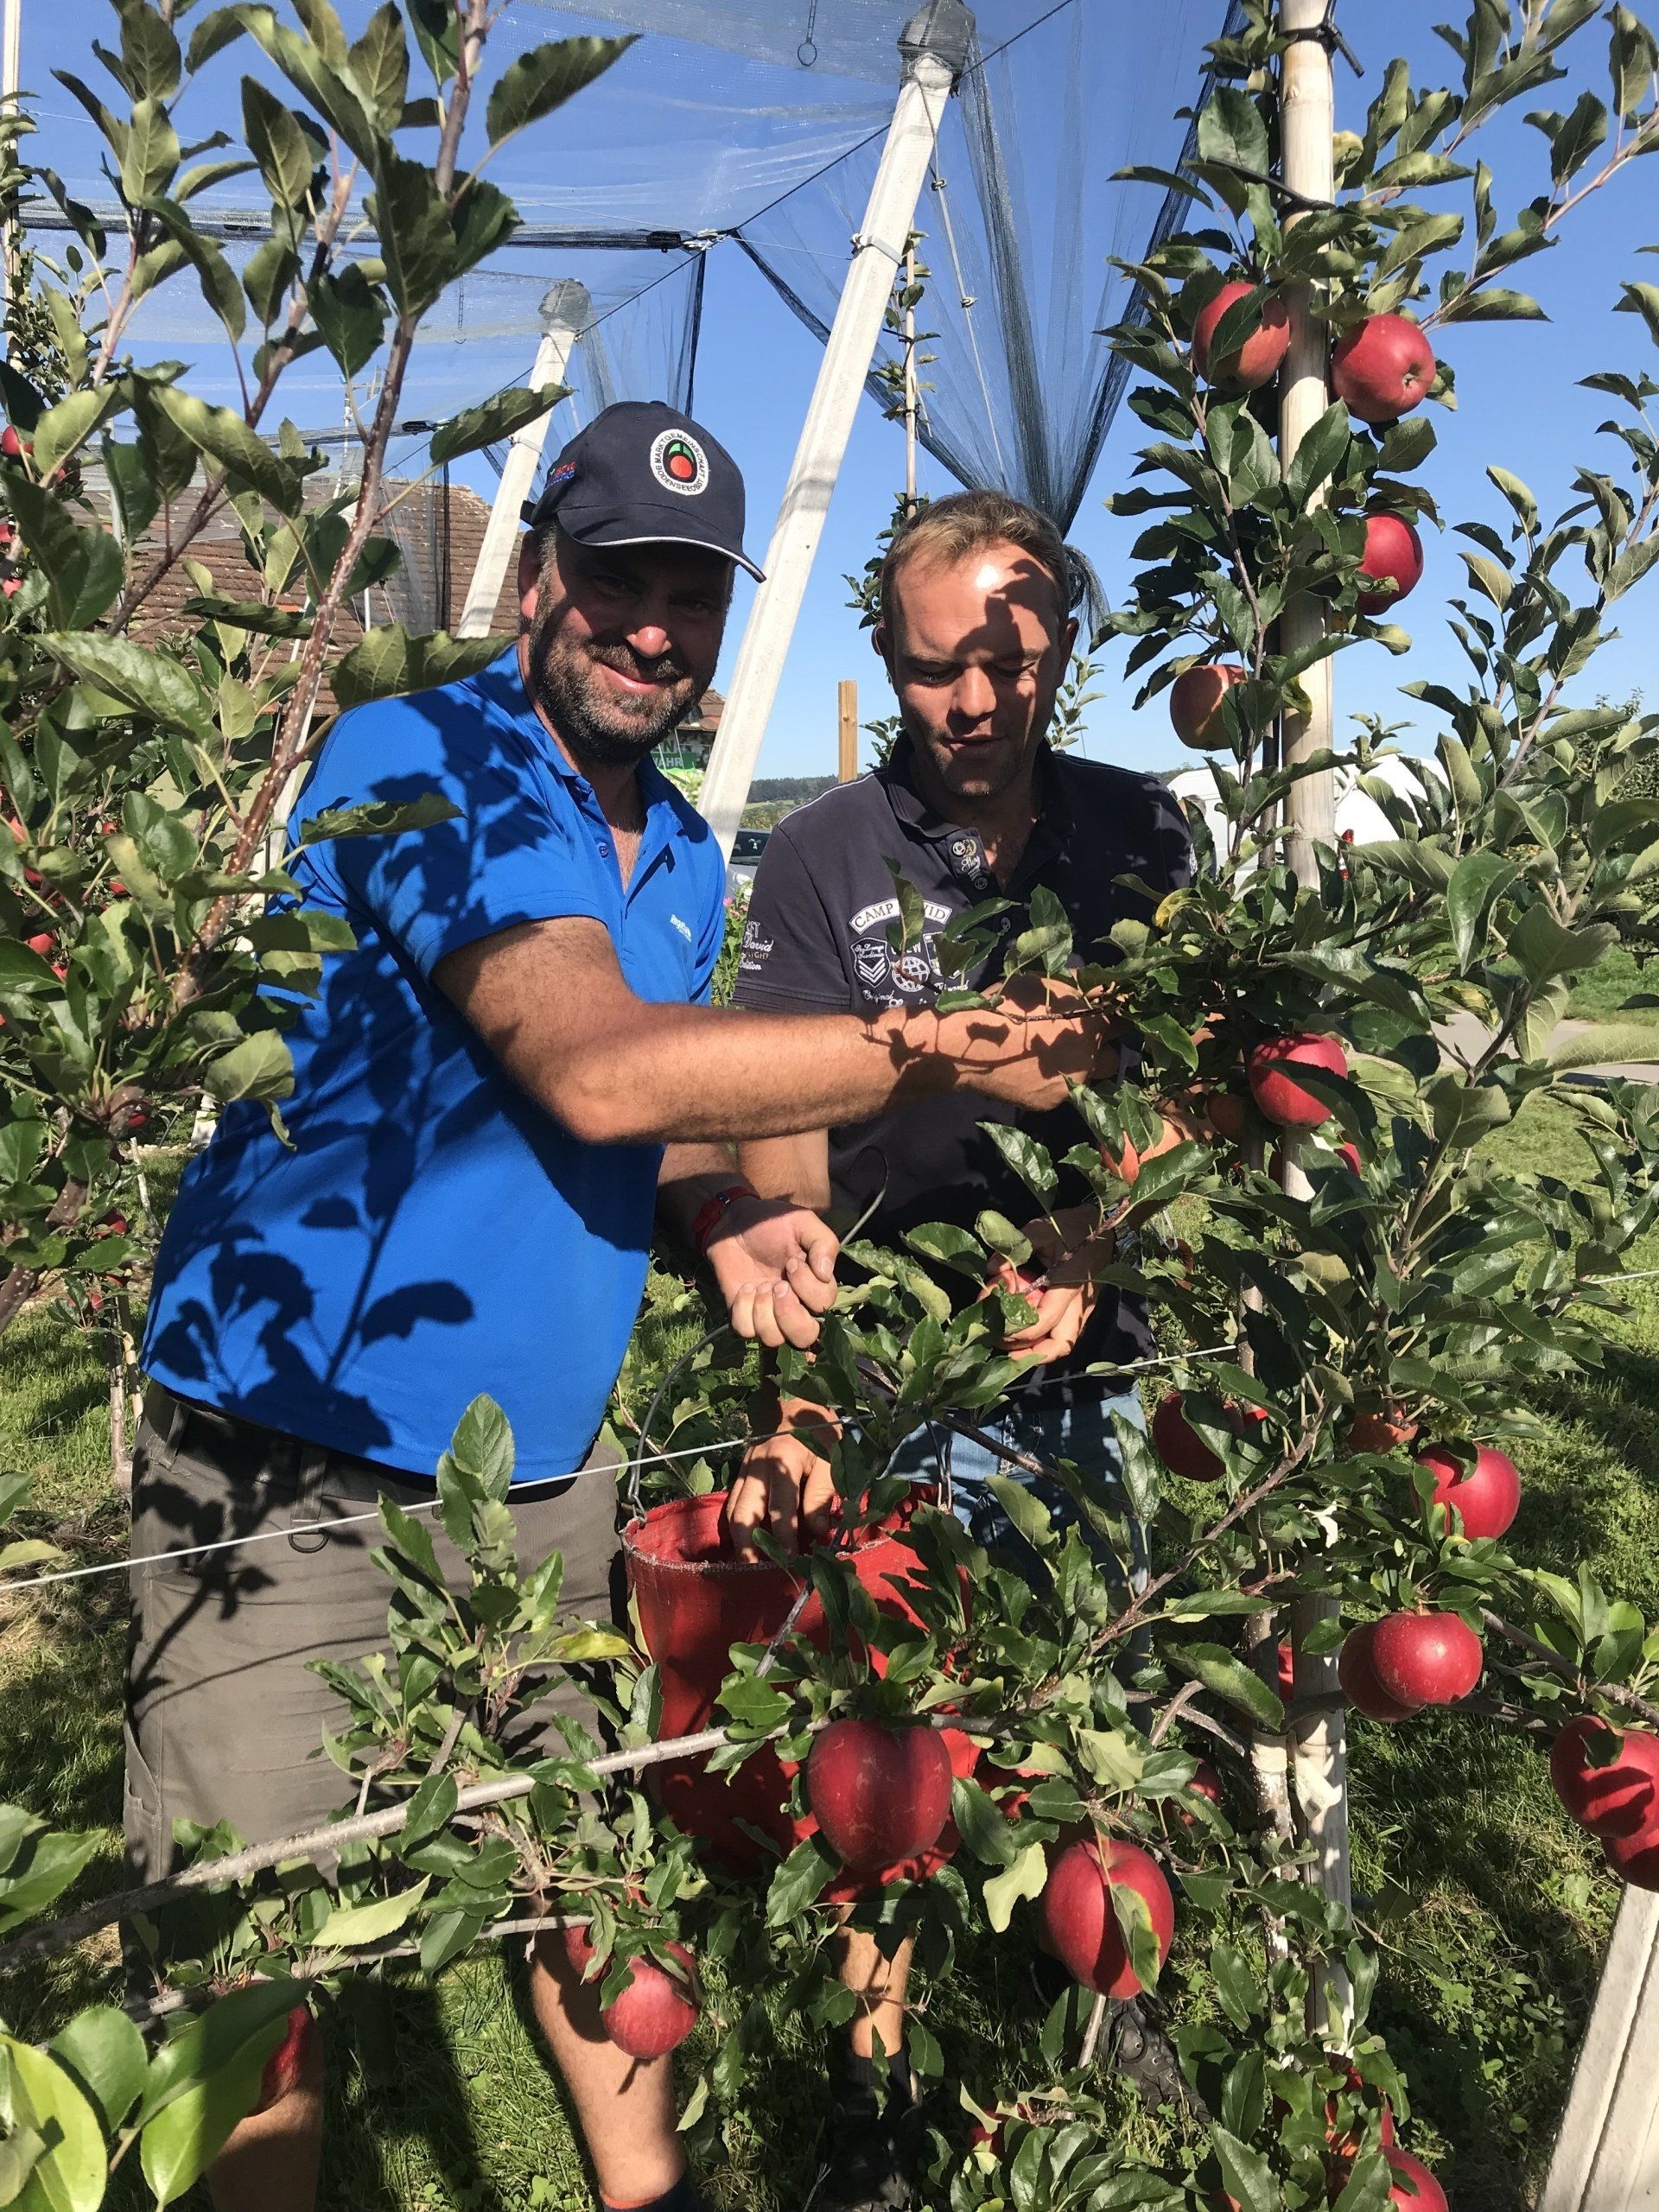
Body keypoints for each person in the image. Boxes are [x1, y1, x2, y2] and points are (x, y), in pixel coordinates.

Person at [130, 408, 1111, 2212]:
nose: (655, 625)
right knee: (248, 1972)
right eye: (617, 580)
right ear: (536, 580)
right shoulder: (425, 758)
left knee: (594, 1897)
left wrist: (727, 1202)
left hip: (537, 1480)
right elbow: (589, 1064)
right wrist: (963, 1044)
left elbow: (652, 1120)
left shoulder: (670, 852)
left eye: (691, 594)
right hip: (288, 1471)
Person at [727, 488, 1196, 2212]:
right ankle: (875, 2091)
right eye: (934, 673)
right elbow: (776, 1116)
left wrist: (1089, 1240)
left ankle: (1121, 1990)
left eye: (1004, 661)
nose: (974, 703)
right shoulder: (825, 854)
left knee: (1111, 1679)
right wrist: (796, 1374)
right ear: (892, 665)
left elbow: (1180, 1085)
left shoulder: (1144, 834)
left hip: (1096, 1350)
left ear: (1057, 642)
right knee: (882, 1732)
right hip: (895, 1367)